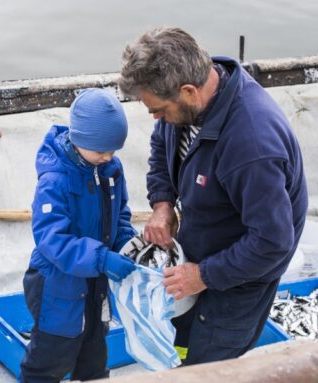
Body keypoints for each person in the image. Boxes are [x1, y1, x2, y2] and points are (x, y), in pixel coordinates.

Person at [118, 27, 308, 365]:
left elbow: (272, 242)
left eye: (158, 110)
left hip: (241, 277)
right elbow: (162, 146)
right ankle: (181, 357)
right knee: (181, 342)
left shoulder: (252, 146)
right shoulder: (184, 106)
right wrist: (162, 206)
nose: (156, 118)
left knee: (209, 366)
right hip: (199, 246)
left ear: (188, 91)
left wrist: (202, 276)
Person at [20, 88, 137, 382]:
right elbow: (51, 239)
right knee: (51, 357)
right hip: (56, 287)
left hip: (96, 284)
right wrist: (101, 258)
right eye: (101, 151)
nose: (108, 156)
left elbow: (120, 213)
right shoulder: (55, 180)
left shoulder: (111, 168)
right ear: (79, 139)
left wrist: (127, 244)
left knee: (94, 354)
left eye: (113, 150)